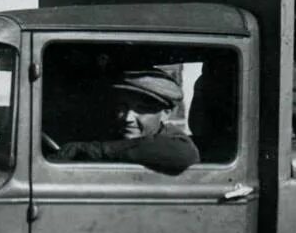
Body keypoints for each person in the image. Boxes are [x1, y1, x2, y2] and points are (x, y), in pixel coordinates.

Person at [48, 65, 200, 174]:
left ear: (166, 113)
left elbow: (184, 153)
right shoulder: (112, 132)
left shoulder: (173, 140)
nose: (128, 118)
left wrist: (94, 150)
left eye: (141, 109)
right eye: (122, 107)